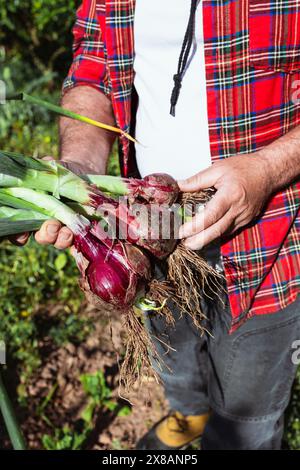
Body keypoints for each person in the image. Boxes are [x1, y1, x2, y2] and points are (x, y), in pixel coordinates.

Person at [13, 0, 300, 450]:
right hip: (145, 225)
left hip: (272, 233)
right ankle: (189, 414)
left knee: (249, 409)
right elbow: (93, 71)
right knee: (175, 350)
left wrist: (267, 170)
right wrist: (76, 173)